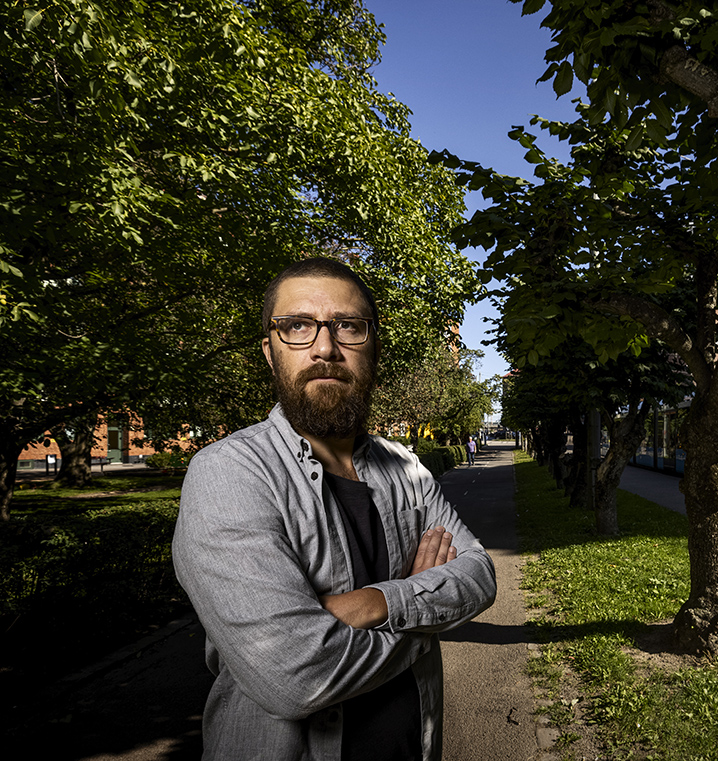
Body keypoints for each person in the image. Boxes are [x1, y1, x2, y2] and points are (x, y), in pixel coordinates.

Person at [172, 258, 496, 761]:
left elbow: (479, 575)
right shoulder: (229, 473)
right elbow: (296, 678)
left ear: (373, 348)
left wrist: (375, 603)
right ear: (270, 351)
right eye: (297, 326)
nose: (325, 347)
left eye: (348, 326)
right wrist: (422, 622)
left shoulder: (405, 466)